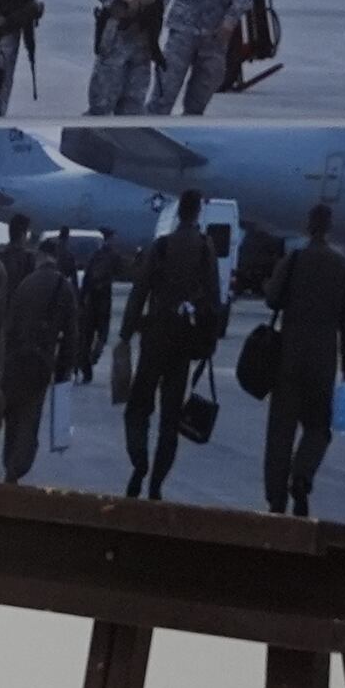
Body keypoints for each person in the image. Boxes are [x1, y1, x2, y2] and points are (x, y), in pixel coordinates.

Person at [118, 192, 226, 500]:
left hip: (155, 338)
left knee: (138, 407)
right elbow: (214, 300)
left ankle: (139, 461)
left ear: (179, 213)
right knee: (170, 418)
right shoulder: (205, 248)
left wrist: (126, 333)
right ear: (198, 213)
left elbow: (139, 291)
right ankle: (157, 483)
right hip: (183, 343)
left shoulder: (162, 246)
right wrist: (209, 342)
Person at [263, 203, 345, 517]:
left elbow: (272, 299)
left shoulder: (293, 260)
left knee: (280, 432)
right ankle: (302, 475)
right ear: (329, 227)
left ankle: (276, 500)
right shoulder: (342, 267)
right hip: (322, 362)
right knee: (319, 428)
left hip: (288, 358)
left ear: (309, 226)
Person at [0, 229, 74, 480]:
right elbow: (72, 335)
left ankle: (9, 464)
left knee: (12, 417)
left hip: (13, 360)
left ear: (40, 256)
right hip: (40, 364)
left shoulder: (26, 283)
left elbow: (9, 325)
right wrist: (63, 372)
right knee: (28, 420)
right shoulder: (64, 286)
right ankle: (16, 469)